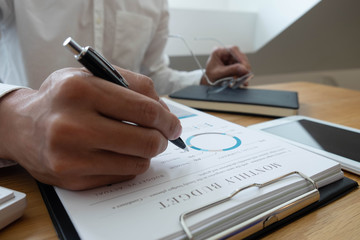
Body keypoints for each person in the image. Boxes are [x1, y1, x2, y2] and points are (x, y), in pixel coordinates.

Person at [0, 0, 251, 190]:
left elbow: (153, 74)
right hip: (22, 177)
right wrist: (13, 121)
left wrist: (205, 80)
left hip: (125, 153)